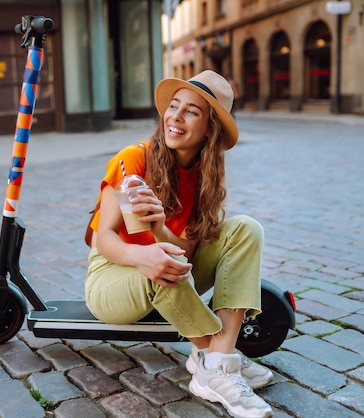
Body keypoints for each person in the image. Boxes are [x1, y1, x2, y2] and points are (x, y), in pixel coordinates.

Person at [85, 70, 273, 418]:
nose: (176, 116)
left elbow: (184, 252)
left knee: (246, 228)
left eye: (192, 111)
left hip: (166, 271)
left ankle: (218, 357)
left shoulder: (204, 177)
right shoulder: (135, 159)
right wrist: (141, 255)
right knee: (162, 260)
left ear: (210, 128)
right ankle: (214, 361)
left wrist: (157, 228)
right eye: (174, 106)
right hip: (112, 276)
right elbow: (104, 238)